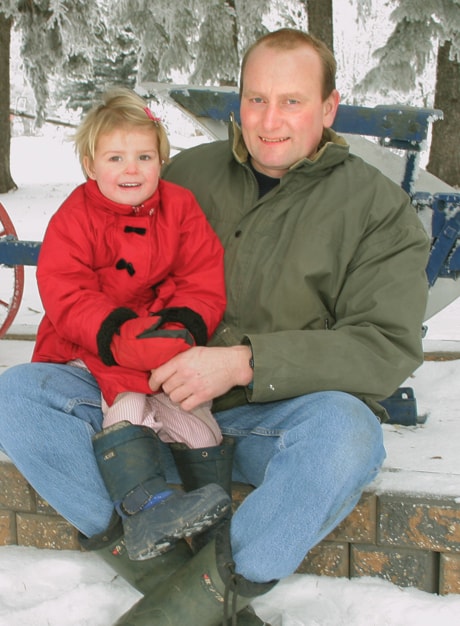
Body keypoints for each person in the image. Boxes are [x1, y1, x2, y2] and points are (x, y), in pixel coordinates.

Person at [0, 28, 430, 626]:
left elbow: (385, 346)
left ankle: (184, 604)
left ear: (329, 108)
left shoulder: (378, 209)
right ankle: (192, 596)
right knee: (17, 397)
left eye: (292, 101)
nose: (269, 120)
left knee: (349, 436)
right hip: (142, 397)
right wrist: (125, 344)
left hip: (262, 417)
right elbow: (92, 253)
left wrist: (243, 363)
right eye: (256, 99)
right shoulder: (183, 173)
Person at [27, 87, 234, 562]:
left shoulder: (179, 207)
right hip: (94, 341)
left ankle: (212, 525)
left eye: (144, 156)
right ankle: (146, 505)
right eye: (116, 157)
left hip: (163, 338)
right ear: (89, 163)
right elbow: (66, 289)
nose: (132, 169)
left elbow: (202, 276)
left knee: (197, 417)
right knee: (128, 400)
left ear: (162, 160)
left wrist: (181, 328)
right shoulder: (75, 218)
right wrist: (117, 334)